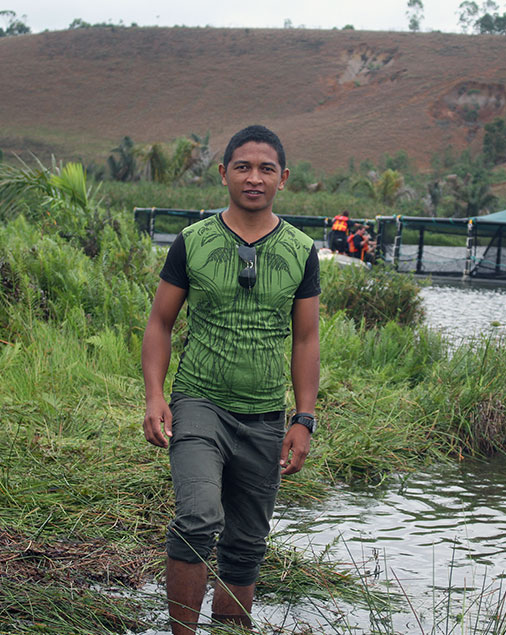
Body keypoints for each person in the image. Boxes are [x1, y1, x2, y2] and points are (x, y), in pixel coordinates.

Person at [141, 125, 320, 634]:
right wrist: (156, 396)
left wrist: (303, 418)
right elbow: (160, 323)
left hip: (265, 415)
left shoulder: (301, 249)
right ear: (223, 174)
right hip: (199, 404)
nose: (254, 178)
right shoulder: (194, 242)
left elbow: (306, 339)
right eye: (242, 166)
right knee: (198, 519)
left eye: (266, 169)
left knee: (246, 542)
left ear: (283, 179)